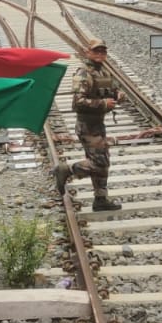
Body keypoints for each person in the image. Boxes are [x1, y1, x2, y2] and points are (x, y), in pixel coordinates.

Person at [54, 37, 122, 211]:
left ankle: (100, 199)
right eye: (96, 51)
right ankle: (67, 170)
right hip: (87, 125)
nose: (100, 54)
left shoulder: (103, 72)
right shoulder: (83, 73)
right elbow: (78, 102)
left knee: (103, 161)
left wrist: (119, 95)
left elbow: (112, 90)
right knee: (99, 163)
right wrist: (103, 104)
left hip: (98, 124)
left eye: (103, 51)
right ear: (88, 52)